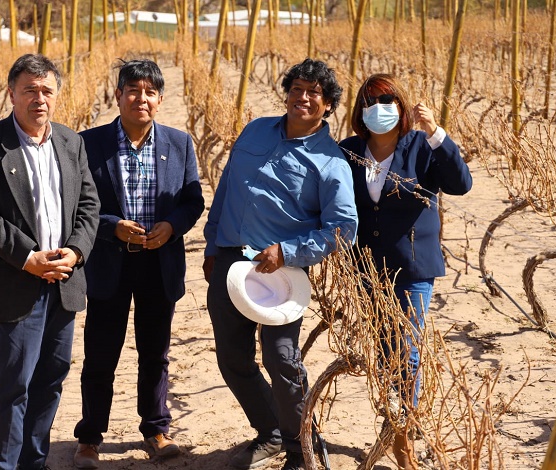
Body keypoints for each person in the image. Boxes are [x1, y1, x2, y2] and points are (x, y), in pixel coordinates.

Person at [202, 58, 358, 470]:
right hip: (232, 261)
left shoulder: (331, 162)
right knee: (232, 358)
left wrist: (287, 252)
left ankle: (301, 447)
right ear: (287, 92)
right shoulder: (255, 131)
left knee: (282, 359)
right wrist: (212, 248)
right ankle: (271, 431)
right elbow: (227, 190)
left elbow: (342, 229)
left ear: (327, 105)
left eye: (314, 93)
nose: (303, 98)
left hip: (284, 271)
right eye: (297, 88)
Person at [0, 53, 99, 470]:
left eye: (47, 91)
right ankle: (3, 465)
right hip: (14, 282)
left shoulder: (71, 142)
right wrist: (28, 258)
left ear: (57, 95)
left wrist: (74, 252)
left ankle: (33, 462)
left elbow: (89, 206)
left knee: (51, 380)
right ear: (11, 94)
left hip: (64, 279)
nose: (39, 99)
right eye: (29, 91)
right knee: (13, 385)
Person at [72, 59, 205, 469]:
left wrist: (172, 225)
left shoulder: (179, 144)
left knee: (155, 353)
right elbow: (77, 202)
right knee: (100, 352)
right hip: (110, 263)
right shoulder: (88, 144)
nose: (140, 99)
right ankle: (90, 437)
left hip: (158, 262)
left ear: (160, 99)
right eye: (133, 90)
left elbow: (193, 200)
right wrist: (112, 227)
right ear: (118, 95)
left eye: (149, 92)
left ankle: (156, 430)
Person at [339, 73, 472, 470]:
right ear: (360, 110)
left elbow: (461, 184)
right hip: (366, 267)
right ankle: (400, 418)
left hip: (413, 266)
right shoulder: (349, 151)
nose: (380, 109)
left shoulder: (420, 146)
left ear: (402, 106)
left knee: (406, 351)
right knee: (383, 350)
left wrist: (437, 134)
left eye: (388, 100)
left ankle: (400, 431)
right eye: (371, 101)